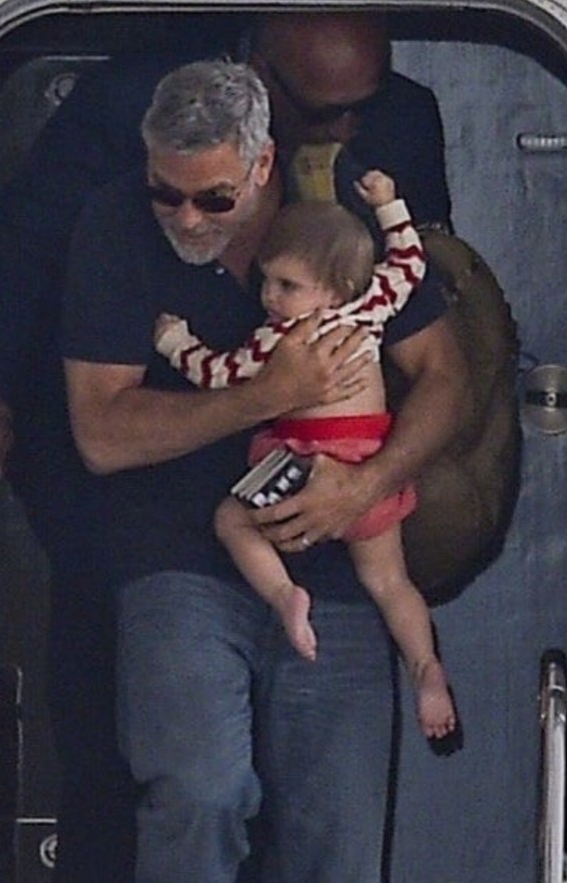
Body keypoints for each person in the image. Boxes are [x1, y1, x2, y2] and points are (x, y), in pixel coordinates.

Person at [0, 12, 459, 879]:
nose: (186, 215)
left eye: (213, 199)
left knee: (336, 829)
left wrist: (366, 482)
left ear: (262, 163)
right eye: (169, 192)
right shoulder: (119, 219)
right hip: (172, 555)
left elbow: (445, 374)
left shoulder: (348, 209)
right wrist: (269, 393)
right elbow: (101, 431)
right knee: (198, 795)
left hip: (343, 560)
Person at [154, 169, 457, 740]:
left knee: (231, 519)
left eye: (288, 285)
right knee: (391, 583)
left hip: (302, 459)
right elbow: (408, 262)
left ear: (335, 289)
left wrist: (175, 342)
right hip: (369, 460)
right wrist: (389, 203)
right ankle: (425, 667)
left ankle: (284, 594)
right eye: (267, 280)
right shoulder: (372, 309)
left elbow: (217, 373)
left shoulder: (280, 339)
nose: (270, 297)